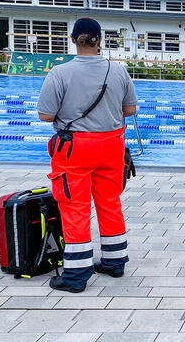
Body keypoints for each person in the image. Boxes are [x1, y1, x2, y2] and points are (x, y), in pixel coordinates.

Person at [36, 18, 137, 293]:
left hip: (75, 149)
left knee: (75, 207)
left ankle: (77, 273)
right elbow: (130, 110)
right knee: (109, 202)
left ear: (72, 40)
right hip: (111, 146)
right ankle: (115, 262)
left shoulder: (59, 73)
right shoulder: (119, 71)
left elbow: (46, 115)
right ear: (100, 40)